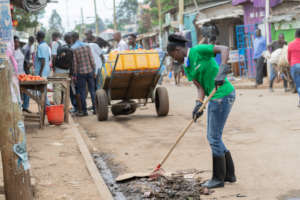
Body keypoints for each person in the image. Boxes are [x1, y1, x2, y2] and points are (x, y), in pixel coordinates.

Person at [167, 34, 236, 189]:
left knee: (213, 138)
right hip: (214, 97)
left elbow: (224, 49)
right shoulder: (187, 66)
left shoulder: (199, 50)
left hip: (222, 95)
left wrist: (222, 71)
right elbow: (200, 87)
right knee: (215, 137)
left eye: (173, 56)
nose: (173, 59)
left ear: (178, 50)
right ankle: (229, 175)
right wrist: (198, 105)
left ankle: (218, 179)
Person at [72, 32, 96, 116]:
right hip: (90, 71)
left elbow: (75, 64)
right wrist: (94, 70)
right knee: (92, 91)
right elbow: (91, 59)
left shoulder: (73, 48)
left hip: (80, 73)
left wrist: (74, 75)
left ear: (73, 38)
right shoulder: (87, 45)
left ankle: (85, 111)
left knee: (82, 92)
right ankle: (95, 109)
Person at [52, 32, 72, 105]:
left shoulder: (55, 43)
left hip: (58, 71)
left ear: (54, 36)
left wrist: (53, 68)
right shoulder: (66, 44)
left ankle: (57, 107)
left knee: (57, 89)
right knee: (66, 89)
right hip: (67, 70)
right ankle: (65, 107)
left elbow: (54, 57)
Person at [14, 36, 31, 113]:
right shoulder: (10, 52)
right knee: (16, 92)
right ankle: (17, 108)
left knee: (27, 90)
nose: (16, 44)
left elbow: (23, 60)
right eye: (15, 42)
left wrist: (27, 63)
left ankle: (25, 106)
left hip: (23, 74)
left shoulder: (21, 50)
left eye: (17, 42)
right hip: (14, 75)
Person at [35, 31, 51, 106]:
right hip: (46, 70)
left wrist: (40, 73)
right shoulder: (46, 45)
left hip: (41, 72)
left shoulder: (40, 46)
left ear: (38, 37)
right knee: (43, 90)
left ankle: (46, 106)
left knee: (41, 91)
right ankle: (46, 106)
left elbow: (43, 61)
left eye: (36, 36)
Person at [288, 29, 300, 107]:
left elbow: (288, 57)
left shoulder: (290, 44)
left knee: (298, 85)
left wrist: (290, 64)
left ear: (295, 35)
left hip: (294, 66)